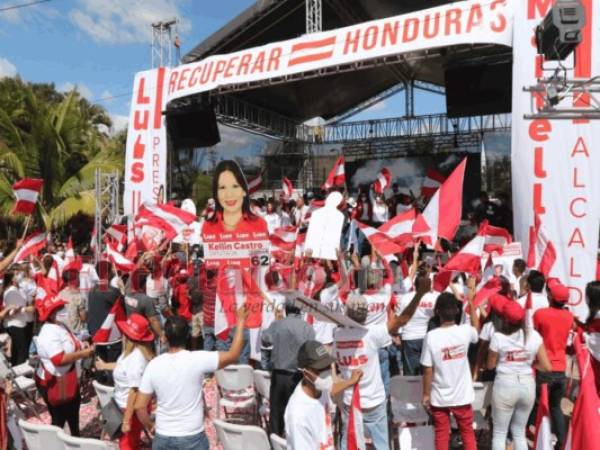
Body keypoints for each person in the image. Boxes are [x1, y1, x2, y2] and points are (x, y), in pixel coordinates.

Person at [334, 275, 431, 450]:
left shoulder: (337, 336)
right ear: (366, 314)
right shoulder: (372, 333)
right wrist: (420, 294)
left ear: (347, 313)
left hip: (350, 402)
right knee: (381, 445)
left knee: (348, 443)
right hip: (374, 402)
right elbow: (402, 320)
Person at [134, 307, 249, 450]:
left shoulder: (153, 365)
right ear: (188, 336)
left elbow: (139, 406)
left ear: (165, 337)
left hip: (163, 434)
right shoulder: (197, 359)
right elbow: (233, 354)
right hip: (192, 436)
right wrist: (241, 321)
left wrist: (150, 425)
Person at [201, 160, 269, 363]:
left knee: (246, 369)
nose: (229, 194)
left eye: (234, 186)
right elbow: (209, 273)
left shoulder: (259, 224)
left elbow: (263, 269)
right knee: (223, 370)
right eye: (222, 188)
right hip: (222, 312)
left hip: (251, 310)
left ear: (244, 191)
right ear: (216, 192)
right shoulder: (209, 227)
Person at [486, 295, 552, 450]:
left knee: (500, 433)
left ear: (505, 319)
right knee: (518, 433)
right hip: (527, 384)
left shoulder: (498, 337)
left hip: (505, 384)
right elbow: (547, 366)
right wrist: (529, 363)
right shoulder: (534, 336)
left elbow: (490, 365)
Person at [421, 293, 480, 450]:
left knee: (441, 433)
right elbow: (477, 329)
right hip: (462, 395)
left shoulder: (431, 337)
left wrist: (426, 394)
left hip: (440, 396)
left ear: (436, 312)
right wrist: (472, 305)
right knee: (467, 432)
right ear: (456, 311)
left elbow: (427, 369)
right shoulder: (465, 331)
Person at [284, 340, 362, 450]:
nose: (325, 373)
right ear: (305, 373)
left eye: (327, 367)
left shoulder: (319, 387)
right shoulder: (298, 415)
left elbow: (331, 389)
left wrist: (351, 381)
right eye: (320, 369)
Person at [34, 296, 94, 436]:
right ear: (52, 313)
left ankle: (75, 439)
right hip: (55, 381)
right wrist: (83, 354)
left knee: (73, 416)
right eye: (60, 308)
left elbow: (72, 340)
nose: (63, 310)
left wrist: (81, 344)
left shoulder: (60, 325)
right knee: (59, 421)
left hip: (69, 377)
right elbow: (58, 359)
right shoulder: (48, 332)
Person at [95, 314, 155, 450]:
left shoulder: (136, 358)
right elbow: (122, 366)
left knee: (127, 446)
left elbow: (134, 392)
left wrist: (126, 420)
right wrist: (105, 365)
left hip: (129, 410)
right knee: (130, 443)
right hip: (125, 407)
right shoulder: (131, 352)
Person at [262, 298, 315, 437]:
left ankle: (276, 443)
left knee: (276, 416)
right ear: (300, 310)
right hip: (298, 377)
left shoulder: (278, 324)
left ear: (286, 309)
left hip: (279, 377)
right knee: (297, 415)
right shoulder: (307, 328)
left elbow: (265, 340)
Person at [532, 279, 574, 449]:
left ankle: (542, 442)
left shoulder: (540, 314)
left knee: (541, 409)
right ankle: (563, 443)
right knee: (556, 407)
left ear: (550, 296)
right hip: (561, 370)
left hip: (544, 369)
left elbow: (532, 337)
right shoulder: (569, 316)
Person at [88, 261, 123, 385]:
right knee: (111, 366)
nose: (114, 272)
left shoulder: (92, 291)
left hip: (97, 334)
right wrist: (122, 288)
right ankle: (109, 390)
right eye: (112, 271)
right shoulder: (112, 292)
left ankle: (100, 389)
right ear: (108, 273)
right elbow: (123, 308)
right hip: (110, 337)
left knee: (99, 363)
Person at [2, 271, 35, 365]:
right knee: (21, 352)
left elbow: (25, 301)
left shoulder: (18, 289)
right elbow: (11, 311)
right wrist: (24, 309)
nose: (19, 275)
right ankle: (20, 375)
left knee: (18, 351)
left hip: (21, 323)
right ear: (12, 279)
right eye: (16, 274)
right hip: (15, 325)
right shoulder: (11, 291)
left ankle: (16, 370)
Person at [124, 268, 162, 339]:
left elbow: (133, 276)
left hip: (130, 330)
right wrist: (162, 335)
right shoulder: (146, 300)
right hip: (143, 335)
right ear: (144, 283)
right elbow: (153, 321)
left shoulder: (127, 292)